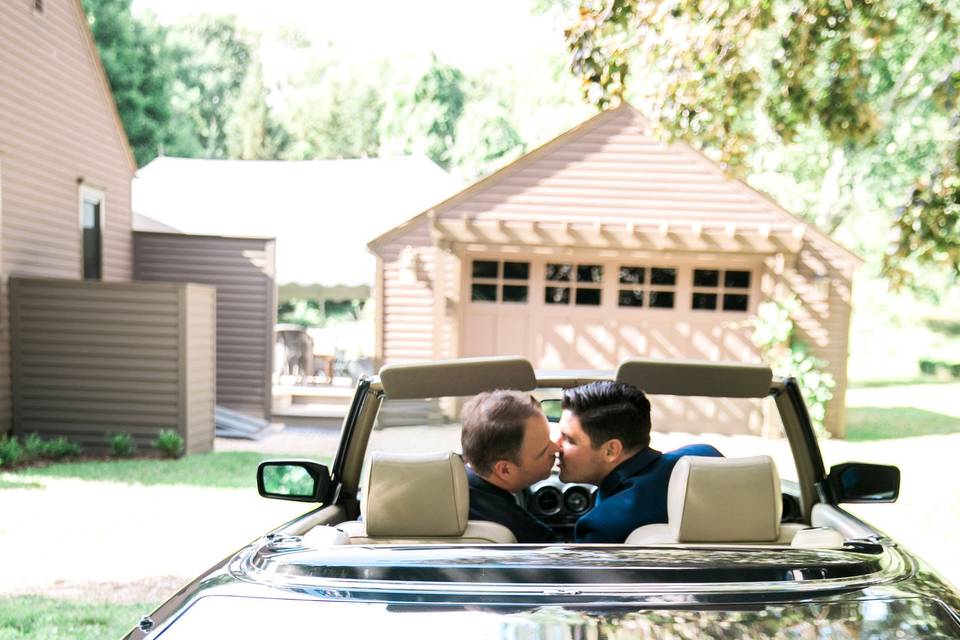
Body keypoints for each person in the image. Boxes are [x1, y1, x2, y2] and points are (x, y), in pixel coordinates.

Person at [556, 381, 722, 543]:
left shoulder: (601, 527)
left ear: (611, 450)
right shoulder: (705, 457)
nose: (555, 446)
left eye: (569, 439)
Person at [460, 390, 562, 543]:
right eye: (544, 450)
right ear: (505, 470)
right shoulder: (529, 536)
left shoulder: (457, 486)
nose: (557, 448)